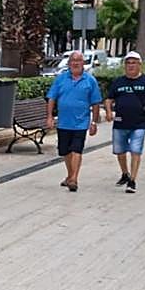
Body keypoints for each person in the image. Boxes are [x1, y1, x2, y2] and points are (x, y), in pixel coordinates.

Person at [104, 50, 145, 194]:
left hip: (140, 123)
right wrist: (109, 111)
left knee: (135, 150)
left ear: (139, 65)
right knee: (119, 151)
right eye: (128, 63)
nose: (131, 66)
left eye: (134, 63)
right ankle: (125, 173)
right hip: (120, 122)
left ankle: (132, 180)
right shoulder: (118, 82)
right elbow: (109, 99)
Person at [46, 49, 102, 192]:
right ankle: (70, 175)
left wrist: (94, 122)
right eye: (73, 61)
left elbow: (95, 102)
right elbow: (52, 98)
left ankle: (74, 179)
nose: (76, 63)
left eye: (78, 61)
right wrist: (49, 116)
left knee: (77, 149)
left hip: (81, 123)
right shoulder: (61, 79)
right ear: (69, 63)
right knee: (65, 151)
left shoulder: (90, 81)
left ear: (83, 63)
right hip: (64, 122)